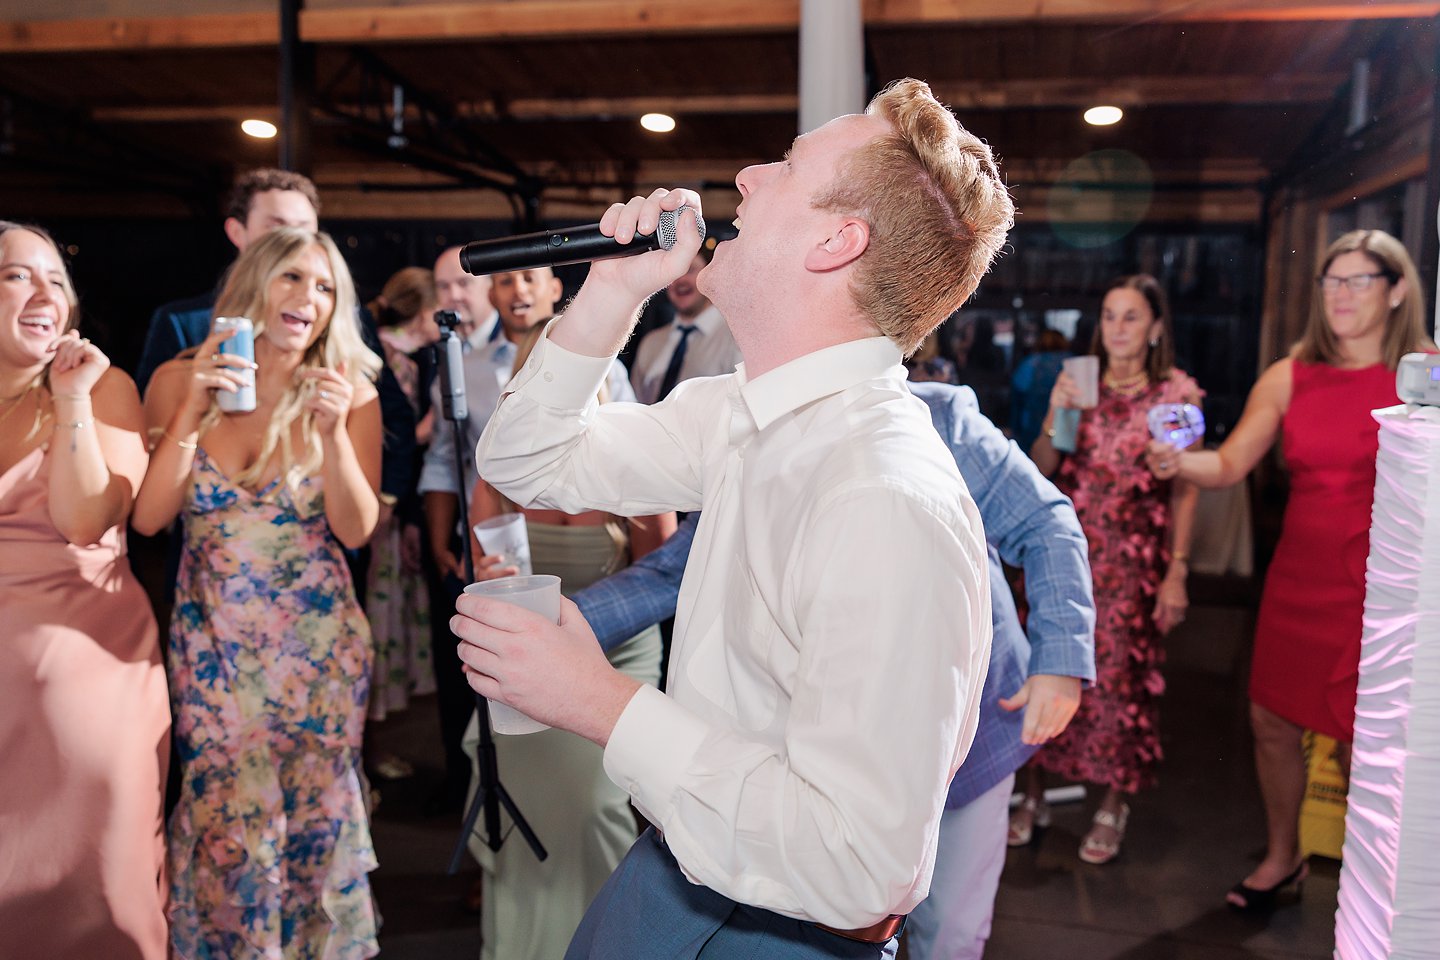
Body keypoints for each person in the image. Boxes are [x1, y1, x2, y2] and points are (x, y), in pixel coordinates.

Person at [454, 77, 1014, 958]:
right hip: (679, 867)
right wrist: (611, 291)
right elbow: (524, 459)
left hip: (779, 929)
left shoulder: (883, 495)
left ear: (838, 241)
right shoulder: (746, 412)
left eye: (786, 168)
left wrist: (600, 701)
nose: (747, 177)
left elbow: (859, 865)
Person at [565, 380, 1095, 960]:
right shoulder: (757, 433)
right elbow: (672, 570)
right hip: (826, 750)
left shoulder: (938, 418)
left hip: (969, 744)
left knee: (952, 933)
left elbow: (1046, 521)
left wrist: (1061, 660)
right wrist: (557, 630)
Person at [1146, 229, 1434, 911]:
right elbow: (1227, 464)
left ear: (1396, 291)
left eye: (1359, 281)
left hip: (1385, 586)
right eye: (1331, 281)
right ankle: (1284, 856)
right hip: (1300, 580)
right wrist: (1176, 462)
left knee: (1373, 738)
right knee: (1272, 720)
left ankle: (1382, 884)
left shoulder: (1426, 373)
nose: (1341, 294)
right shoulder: (1289, 374)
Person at [133, 227, 384, 958]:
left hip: (319, 655)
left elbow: (357, 529)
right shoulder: (181, 378)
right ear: (256, 286)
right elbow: (149, 519)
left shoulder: (346, 389)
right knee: (225, 820)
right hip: (212, 648)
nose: (309, 298)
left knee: (315, 822)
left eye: (326, 286)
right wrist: (190, 412)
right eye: (293, 279)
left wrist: (334, 434)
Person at [463, 325, 677, 960]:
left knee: (593, 808)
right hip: (526, 662)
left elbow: (660, 576)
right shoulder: (501, 463)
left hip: (617, 659)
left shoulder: (630, 463)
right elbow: (481, 566)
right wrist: (489, 580)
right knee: (529, 813)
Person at [0, 222, 170, 959]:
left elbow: (84, 521)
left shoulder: (105, 390)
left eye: (56, 282)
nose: (44, 294)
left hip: (83, 685)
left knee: (96, 893)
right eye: (17, 276)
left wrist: (68, 399)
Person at [419, 261, 633, 813]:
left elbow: (657, 569)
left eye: (529, 279)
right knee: (522, 774)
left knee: (598, 799)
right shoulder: (492, 437)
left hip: (621, 637)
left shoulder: (625, 446)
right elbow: (454, 471)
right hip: (527, 625)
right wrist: (476, 566)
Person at [1022, 274, 1200, 865]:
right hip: (1067, 555)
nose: (1116, 328)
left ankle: (1113, 803)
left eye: (1130, 317)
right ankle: (1034, 794)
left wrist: (1176, 570)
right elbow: (1045, 466)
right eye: (1108, 316)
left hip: (1132, 563)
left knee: (1120, 684)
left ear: (1154, 328)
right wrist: (1056, 411)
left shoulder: (1175, 394)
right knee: (1050, 668)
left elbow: (1186, 490)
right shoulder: (1080, 384)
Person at [365, 266, 438, 731]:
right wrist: (430, 428)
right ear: (424, 312)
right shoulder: (400, 360)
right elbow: (394, 439)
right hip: (385, 501)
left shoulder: (379, 347)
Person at [630, 245, 742, 403]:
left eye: (689, 270)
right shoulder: (651, 343)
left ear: (710, 275)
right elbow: (633, 404)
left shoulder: (736, 337)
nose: (680, 280)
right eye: (673, 274)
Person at [1010, 327, 1070, 453]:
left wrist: (1015, 430)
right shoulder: (1072, 362)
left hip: (1033, 428)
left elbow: (1017, 397)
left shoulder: (1029, 363)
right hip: (1067, 429)